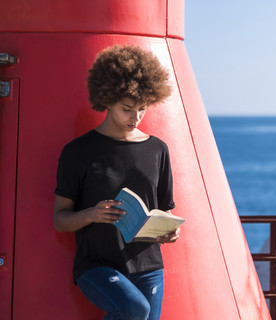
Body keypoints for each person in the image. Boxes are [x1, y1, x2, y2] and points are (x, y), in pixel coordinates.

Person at [53, 44, 179, 320]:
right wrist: (92, 214)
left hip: (149, 265)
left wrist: (169, 231)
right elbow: (60, 220)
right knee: (135, 309)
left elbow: (164, 210)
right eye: (127, 108)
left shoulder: (158, 150)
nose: (135, 118)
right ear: (107, 100)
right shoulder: (78, 151)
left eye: (142, 109)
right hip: (98, 265)